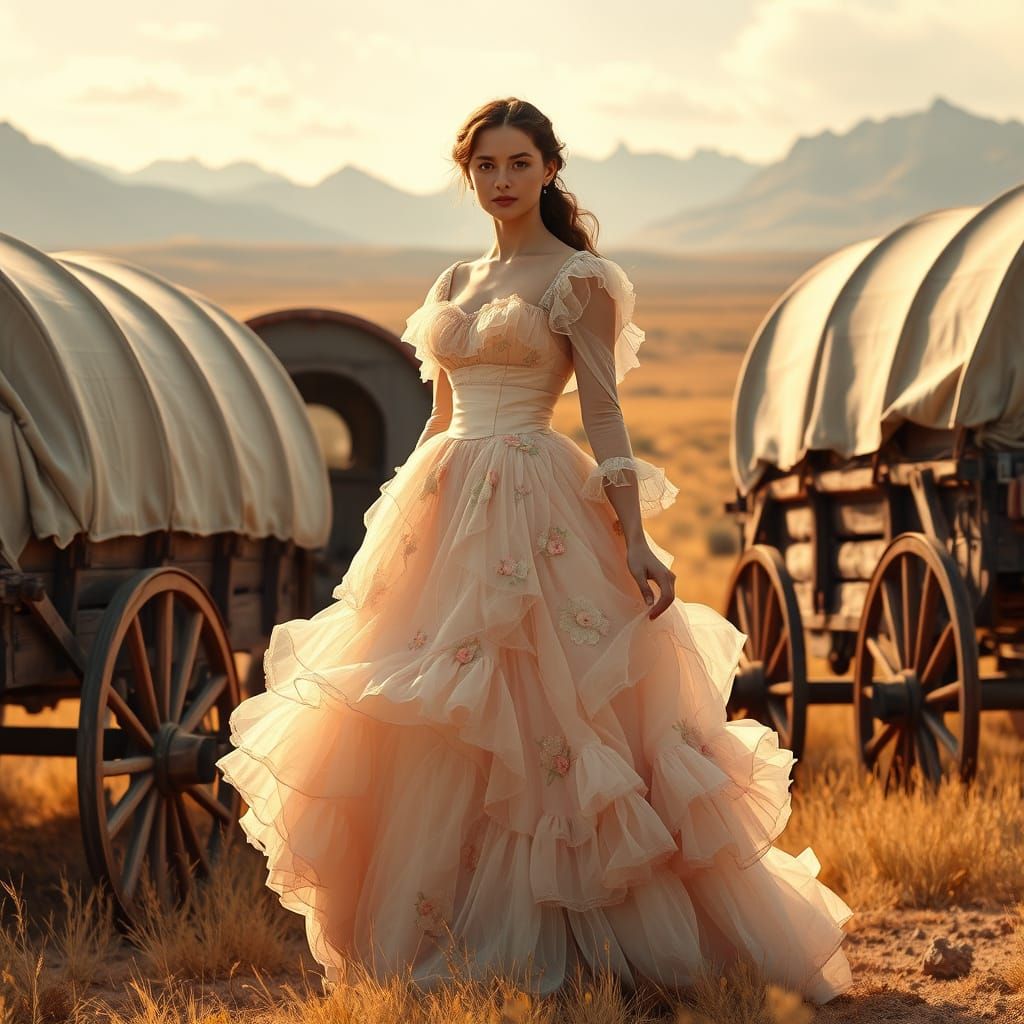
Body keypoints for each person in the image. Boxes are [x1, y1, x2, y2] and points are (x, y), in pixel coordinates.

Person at [215, 96, 852, 1004]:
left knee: (552, 715)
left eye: (519, 164)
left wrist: (636, 538)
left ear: (550, 170)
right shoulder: (452, 282)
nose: (501, 182)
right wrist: (407, 520)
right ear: (466, 173)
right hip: (447, 501)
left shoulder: (580, 279)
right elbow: (439, 414)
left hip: (536, 496)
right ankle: (447, 947)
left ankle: (588, 953)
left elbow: (602, 411)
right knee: (430, 719)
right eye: (485, 167)